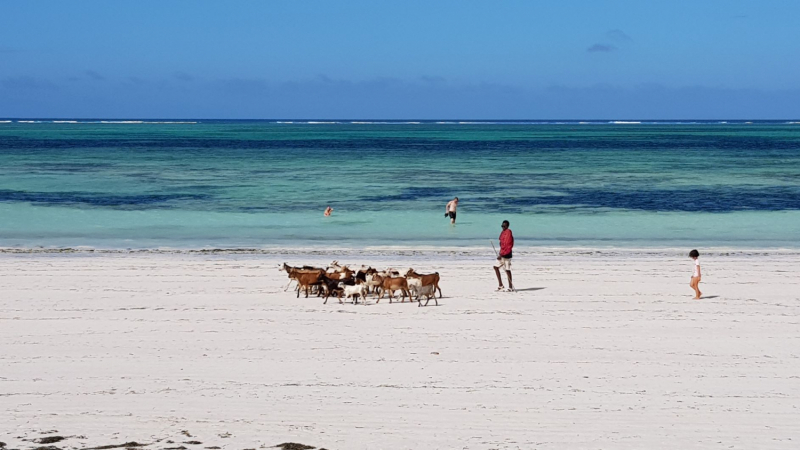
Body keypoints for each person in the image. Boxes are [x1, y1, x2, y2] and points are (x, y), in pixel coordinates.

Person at [493, 220, 514, 292]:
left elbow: (508, 245)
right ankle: (500, 285)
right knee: (496, 267)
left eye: (504, 226)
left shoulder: (509, 232)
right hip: (501, 253)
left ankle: (510, 287)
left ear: (507, 226)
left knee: (507, 270)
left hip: (507, 254)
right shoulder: (503, 233)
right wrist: (500, 253)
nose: (503, 227)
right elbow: (502, 243)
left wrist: (501, 254)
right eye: (502, 226)